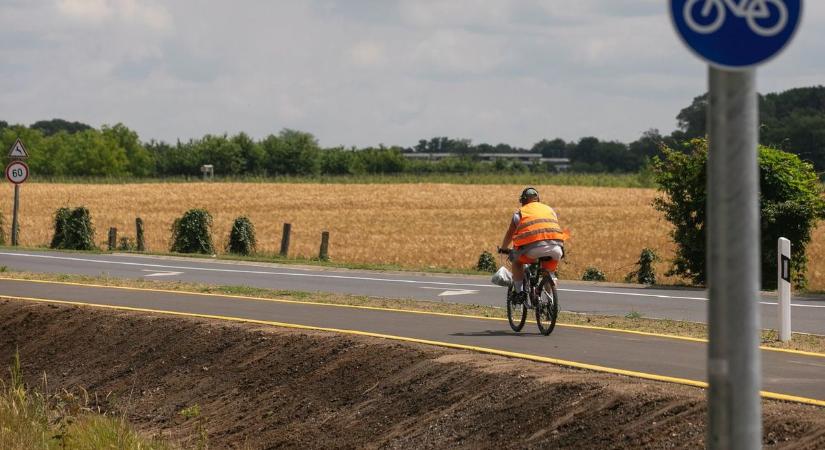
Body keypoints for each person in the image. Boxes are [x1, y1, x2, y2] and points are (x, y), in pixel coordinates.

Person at [499, 187, 566, 306]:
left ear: (523, 201)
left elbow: (510, 233)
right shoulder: (550, 210)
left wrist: (504, 248)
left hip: (533, 249)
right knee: (547, 271)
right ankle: (550, 304)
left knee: (517, 262)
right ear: (538, 199)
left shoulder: (520, 213)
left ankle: (519, 293)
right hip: (556, 248)